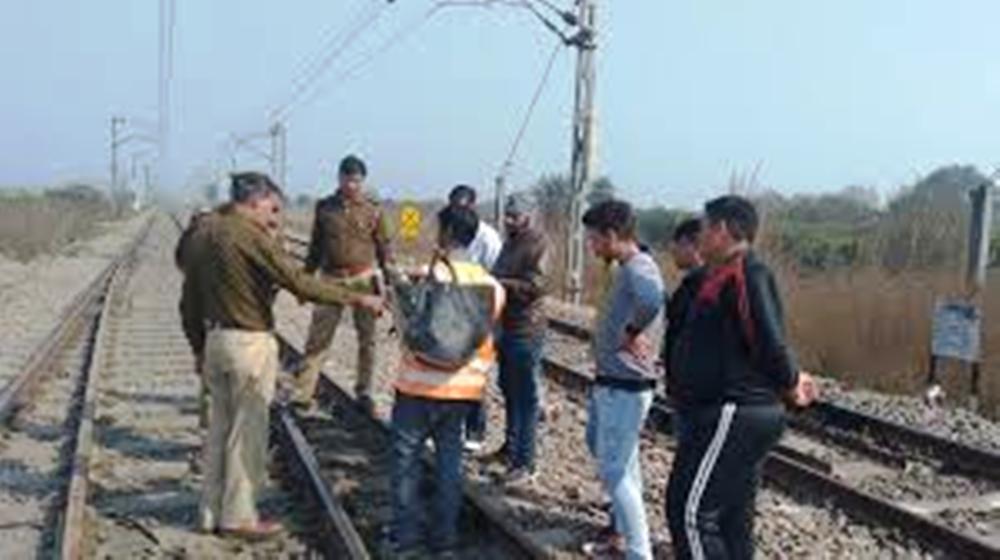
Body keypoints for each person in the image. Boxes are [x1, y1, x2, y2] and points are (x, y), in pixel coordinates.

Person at [183, 171, 383, 538]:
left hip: (215, 342)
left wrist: (198, 347)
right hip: (248, 345)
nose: (273, 216)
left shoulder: (204, 232)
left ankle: (209, 512)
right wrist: (357, 298)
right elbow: (298, 282)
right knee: (247, 434)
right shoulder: (249, 235)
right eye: (272, 208)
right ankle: (239, 517)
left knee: (218, 433)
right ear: (256, 201)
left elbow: (188, 301)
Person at [664, 195, 817, 560]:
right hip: (717, 410)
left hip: (735, 410)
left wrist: (790, 382)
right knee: (732, 517)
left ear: (722, 230)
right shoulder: (714, 275)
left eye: (704, 227)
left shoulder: (748, 274)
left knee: (690, 513)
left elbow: (769, 340)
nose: (699, 234)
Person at [389, 205, 505, 558]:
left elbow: (408, 330)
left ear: (448, 233)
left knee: (406, 464)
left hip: (417, 386)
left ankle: (406, 540)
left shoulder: (431, 276)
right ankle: (445, 542)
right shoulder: (493, 287)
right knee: (449, 467)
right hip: (462, 392)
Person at [581, 199, 665, 560]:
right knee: (622, 466)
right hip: (614, 383)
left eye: (594, 238)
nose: (591, 245)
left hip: (625, 387)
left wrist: (631, 331)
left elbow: (652, 299)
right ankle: (623, 536)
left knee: (615, 472)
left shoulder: (638, 267)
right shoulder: (628, 267)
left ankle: (638, 552)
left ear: (612, 235)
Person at [293, 155, 393, 414]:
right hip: (331, 280)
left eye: (356, 180)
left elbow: (384, 250)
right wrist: (304, 281)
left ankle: (365, 391)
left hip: (363, 280)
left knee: (368, 340)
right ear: (339, 178)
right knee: (318, 338)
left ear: (363, 181)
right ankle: (303, 392)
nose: (352, 185)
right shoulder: (325, 208)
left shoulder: (373, 210)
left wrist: (390, 284)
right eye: (347, 179)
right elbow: (315, 248)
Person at [490, 193, 549, 481]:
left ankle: (525, 462)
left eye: (515, 216)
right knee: (508, 389)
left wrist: (499, 283)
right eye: (507, 216)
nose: (509, 221)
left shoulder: (539, 244)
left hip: (526, 328)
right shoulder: (511, 242)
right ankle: (510, 448)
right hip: (506, 325)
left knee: (525, 398)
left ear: (529, 216)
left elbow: (536, 286)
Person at [446, 185, 503, 451]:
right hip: (451, 313)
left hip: (478, 312)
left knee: (474, 375)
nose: (458, 210)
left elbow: (496, 275)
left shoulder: (488, 238)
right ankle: (450, 428)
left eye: (463, 206)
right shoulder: (448, 233)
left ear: (472, 206)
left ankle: (475, 430)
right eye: (454, 206)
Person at [176, 209, 214, 430]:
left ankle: (208, 421)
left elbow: (180, 261)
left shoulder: (191, 236)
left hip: (203, 314)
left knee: (208, 368)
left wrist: (197, 348)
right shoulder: (228, 234)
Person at [660, 217, 706, 389]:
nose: (672, 249)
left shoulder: (703, 286)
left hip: (693, 385)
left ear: (695, 246)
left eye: (678, 243)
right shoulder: (691, 283)